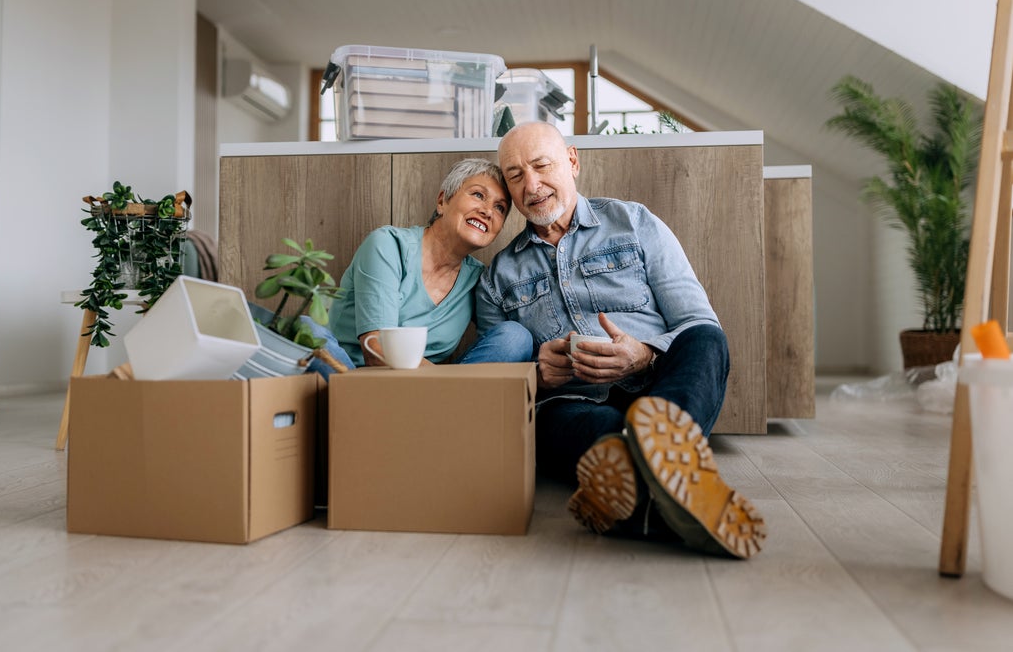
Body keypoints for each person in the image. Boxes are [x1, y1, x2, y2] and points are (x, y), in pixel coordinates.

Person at [475, 122, 767, 559]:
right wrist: (539, 375)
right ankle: (676, 486)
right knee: (562, 428)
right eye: (515, 176)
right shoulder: (496, 279)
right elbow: (497, 391)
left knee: (706, 339)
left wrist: (644, 355)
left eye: (541, 166)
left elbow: (695, 318)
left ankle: (638, 496)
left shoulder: (634, 222)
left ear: (572, 161)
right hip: (572, 405)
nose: (531, 186)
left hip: (660, 386)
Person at [312, 157, 532, 374]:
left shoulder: (478, 280)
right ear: (442, 201)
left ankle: (450, 395)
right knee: (308, 329)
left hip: (428, 388)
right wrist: (445, 383)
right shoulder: (388, 245)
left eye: (500, 208)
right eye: (478, 195)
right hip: (351, 379)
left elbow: (497, 348)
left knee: (515, 337)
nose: (488, 211)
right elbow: (376, 351)